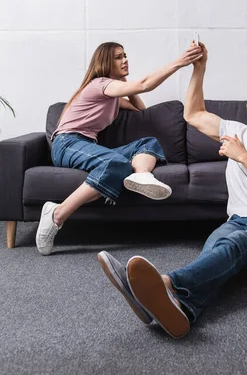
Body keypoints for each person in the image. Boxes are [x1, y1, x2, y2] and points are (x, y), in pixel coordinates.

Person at [98, 42, 247, 338]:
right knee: (216, 254)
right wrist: (199, 67)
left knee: (234, 247)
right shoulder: (238, 131)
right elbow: (193, 114)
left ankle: (164, 284)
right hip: (236, 221)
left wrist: (243, 156)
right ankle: (182, 311)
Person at [36, 41, 203, 256]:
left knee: (148, 143)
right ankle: (57, 214)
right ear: (105, 63)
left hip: (86, 145)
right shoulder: (99, 85)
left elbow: (141, 111)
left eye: (125, 55)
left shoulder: (113, 96)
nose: (125, 60)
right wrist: (180, 62)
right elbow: (144, 84)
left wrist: (125, 82)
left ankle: (141, 176)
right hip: (67, 143)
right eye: (118, 57)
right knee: (117, 163)